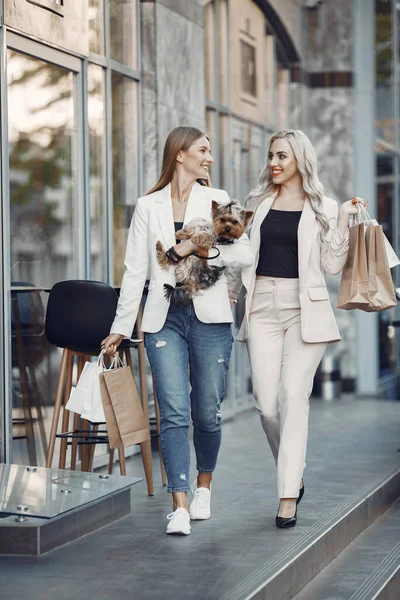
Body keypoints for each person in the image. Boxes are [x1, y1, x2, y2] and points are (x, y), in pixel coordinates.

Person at [102, 126, 254, 535]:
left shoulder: (218, 199)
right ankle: (180, 503)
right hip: (163, 316)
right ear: (180, 154)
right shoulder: (147, 206)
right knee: (172, 411)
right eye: (203, 150)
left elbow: (247, 251)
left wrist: (202, 248)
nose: (209, 157)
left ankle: (204, 484)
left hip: (210, 316)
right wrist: (120, 328)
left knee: (206, 411)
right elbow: (135, 270)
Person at [227, 129, 366, 528]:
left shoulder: (324, 205)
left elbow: (332, 265)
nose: (273, 163)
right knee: (266, 406)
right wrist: (231, 296)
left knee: (293, 397)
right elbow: (242, 257)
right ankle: (294, 471)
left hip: (305, 310)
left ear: (300, 159)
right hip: (262, 309)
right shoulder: (257, 202)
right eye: (271, 156)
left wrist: (340, 220)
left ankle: (287, 495)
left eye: (282, 156)